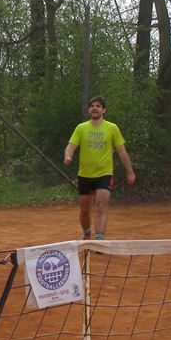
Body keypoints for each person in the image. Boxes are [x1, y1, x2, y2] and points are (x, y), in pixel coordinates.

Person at [63, 95, 136, 241]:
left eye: (98, 106)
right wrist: (68, 156)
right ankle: (87, 232)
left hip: (104, 174)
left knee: (101, 206)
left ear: (104, 110)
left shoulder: (112, 128)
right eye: (92, 106)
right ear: (89, 110)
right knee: (84, 211)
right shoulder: (81, 128)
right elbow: (71, 146)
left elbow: (122, 152)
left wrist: (130, 172)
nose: (94, 108)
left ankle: (99, 239)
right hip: (85, 175)